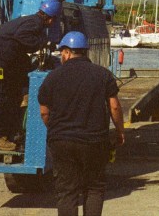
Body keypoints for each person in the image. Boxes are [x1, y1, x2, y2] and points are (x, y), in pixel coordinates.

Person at [38, 31, 124, 216]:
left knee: (67, 191)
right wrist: (119, 132)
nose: (61, 56)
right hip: (94, 141)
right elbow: (115, 107)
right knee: (94, 188)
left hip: (61, 141)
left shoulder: (52, 77)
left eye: (62, 52)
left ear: (67, 52)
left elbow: (44, 111)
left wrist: (56, 130)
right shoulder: (102, 74)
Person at [0, 0, 62, 151]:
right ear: (51, 19)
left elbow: (21, 51)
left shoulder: (31, 20)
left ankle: (23, 99)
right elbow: (22, 37)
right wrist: (42, 43)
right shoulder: (35, 24)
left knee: (10, 88)